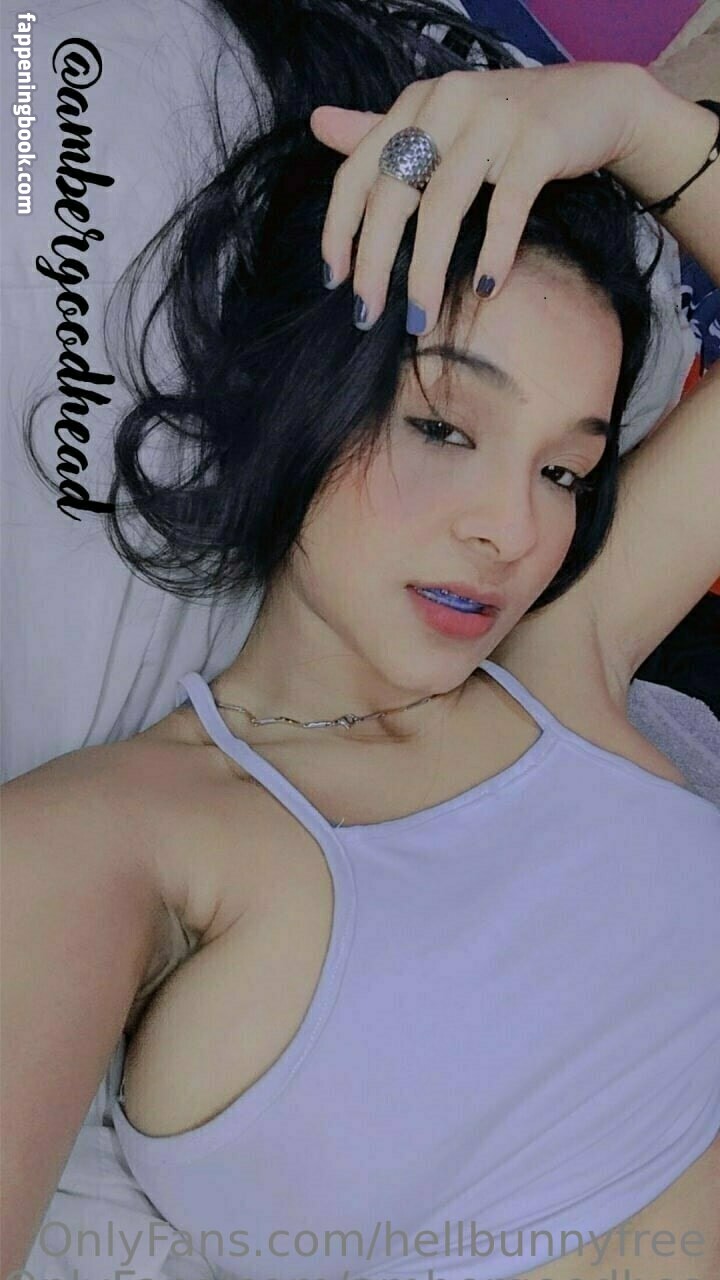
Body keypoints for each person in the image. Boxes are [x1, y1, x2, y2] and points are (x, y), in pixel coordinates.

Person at [3, 1, 720, 1278]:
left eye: (564, 470)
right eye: (444, 426)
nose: (512, 529)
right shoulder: (123, 836)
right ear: (302, 391)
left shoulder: (556, 666)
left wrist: (632, 119)